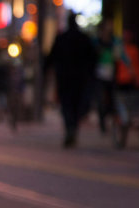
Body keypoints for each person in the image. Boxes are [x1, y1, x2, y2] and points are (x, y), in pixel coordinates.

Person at [46, 12, 97, 147]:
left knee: (67, 105)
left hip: (64, 79)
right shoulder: (84, 39)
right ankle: (73, 128)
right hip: (80, 79)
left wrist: (48, 71)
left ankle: (70, 128)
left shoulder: (61, 38)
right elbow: (93, 59)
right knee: (76, 105)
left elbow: (50, 58)